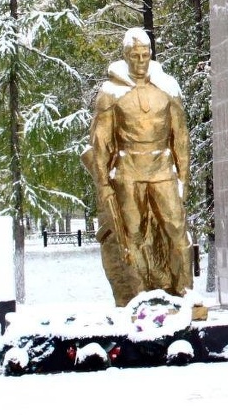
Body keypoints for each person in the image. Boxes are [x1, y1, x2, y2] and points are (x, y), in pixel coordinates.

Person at [82, 28, 192, 306]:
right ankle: (138, 294)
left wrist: (184, 178)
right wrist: (103, 183)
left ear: (151, 55)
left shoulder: (167, 88)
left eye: (145, 55)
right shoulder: (111, 93)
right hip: (128, 172)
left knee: (176, 229)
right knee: (132, 235)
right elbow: (101, 142)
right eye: (135, 56)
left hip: (163, 168)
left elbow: (181, 137)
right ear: (126, 56)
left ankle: (185, 291)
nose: (140, 61)